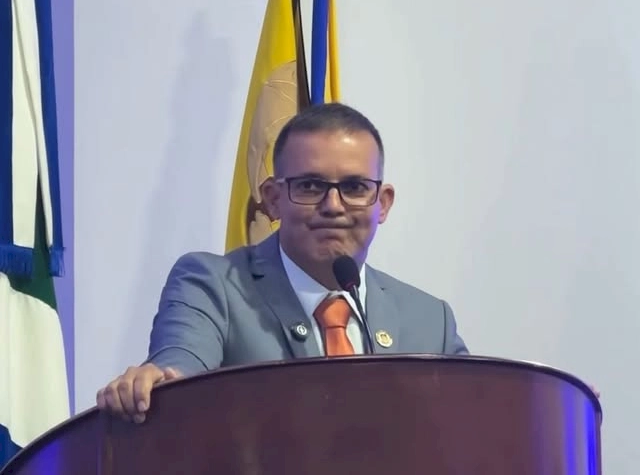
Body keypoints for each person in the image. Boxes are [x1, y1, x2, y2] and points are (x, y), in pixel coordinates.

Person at [96, 102, 468, 423]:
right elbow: (181, 364)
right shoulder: (214, 286)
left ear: (382, 203)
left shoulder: (430, 320)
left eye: (354, 188)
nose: (333, 206)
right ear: (273, 199)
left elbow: (476, 421)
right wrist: (161, 381)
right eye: (310, 186)